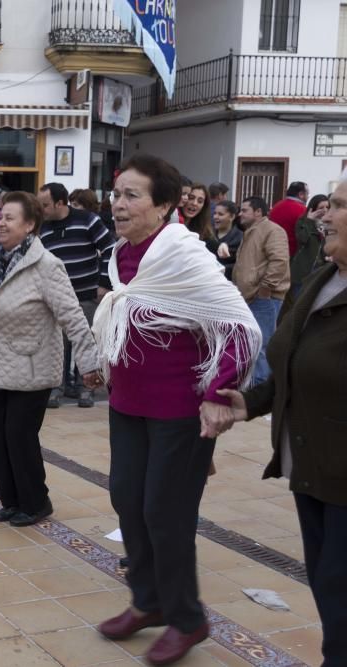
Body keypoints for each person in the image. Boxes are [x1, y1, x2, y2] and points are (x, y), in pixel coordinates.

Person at [92, 154, 260, 666]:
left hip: (179, 411)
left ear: (164, 205)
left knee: (166, 513)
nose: (118, 204)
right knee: (127, 500)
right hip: (128, 404)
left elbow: (236, 325)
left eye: (132, 195)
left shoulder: (185, 255)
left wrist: (217, 393)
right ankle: (147, 601)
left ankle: (188, 618)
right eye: (116, 194)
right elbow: (122, 312)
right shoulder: (120, 254)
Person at [217, 177, 347, 667]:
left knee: (339, 588)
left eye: (336, 206)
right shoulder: (322, 276)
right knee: (328, 585)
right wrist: (248, 402)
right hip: (313, 466)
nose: (322, 215)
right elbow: (291, 357)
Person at [0, 191, 100, 527]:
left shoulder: (47, 267)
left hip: (32, 365)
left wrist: (89, 362)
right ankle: (11, 500)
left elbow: (72, 317)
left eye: (10, 217)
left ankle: (36, 502)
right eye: (0, 216)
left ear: (30, 225)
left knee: (19, 436)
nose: (2, 222)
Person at [37, 181, 114, 408]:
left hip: (86, 294)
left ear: (60, 203)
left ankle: (85, 388)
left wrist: (103, 282)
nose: (41, 210)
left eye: (45, 205)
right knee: (57, 346)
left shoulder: (87, 220)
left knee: (86, 342)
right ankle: (56, 387)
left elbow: (109, 248)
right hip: (57, 299)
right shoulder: (42, 227)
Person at [233, 196, 290, 386]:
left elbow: (279, 261)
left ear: (258, 212)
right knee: (252, 343)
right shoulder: (251, 231)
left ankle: (259, 388)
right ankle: (252, 386)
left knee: (261, 344)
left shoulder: (273, 230)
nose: (240, 214)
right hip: (251, 297)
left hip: (264, 298)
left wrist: (265, 289)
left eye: (244, 210)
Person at [290, 194, 330, 295]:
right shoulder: (303, 221)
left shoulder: (330, 223)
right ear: (313, 208)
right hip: (304, 268)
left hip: (322, 268)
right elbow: (302, 239)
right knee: (300, 300)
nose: (325, 210)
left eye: (327, 207)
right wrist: (309, 221)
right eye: (321, 207)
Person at [269, 181, 309, 257]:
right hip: (292, 254)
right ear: (301, 194)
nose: (308, 196)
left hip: (273, 250)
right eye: (307, 194)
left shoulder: (276, 206)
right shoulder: (302, 210)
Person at [208, 200, 242, 280]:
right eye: (215, 213)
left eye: (220, 214)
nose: (215, 217)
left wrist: (218, 269)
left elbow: (240, 264)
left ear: (232, 217)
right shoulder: (208, 234)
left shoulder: (241, 237)